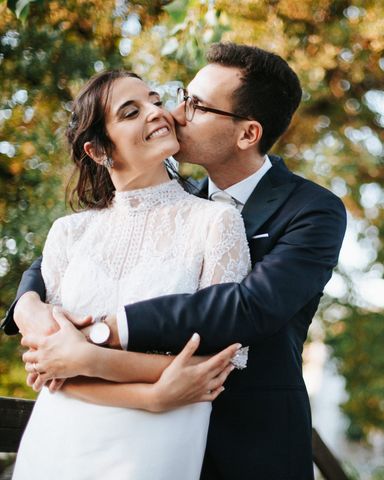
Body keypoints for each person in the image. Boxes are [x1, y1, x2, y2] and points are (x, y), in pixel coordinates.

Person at [4, 43, 347, 480]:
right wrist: (29, 306)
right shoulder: (170, 199)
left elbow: (249, 306)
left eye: (197, 106)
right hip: (104, 433)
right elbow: (70, 256)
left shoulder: (312, 210)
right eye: (182, 97)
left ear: (248, 134)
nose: (175, 114)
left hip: (248, 443)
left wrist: (98, 336)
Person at [10, 70, 251, 480]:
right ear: (98, 150)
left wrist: (90, 360)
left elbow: (219, 363)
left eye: (156, 101)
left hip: (154, 447)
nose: (157, 113)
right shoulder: (69, 233)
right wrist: (150, 394)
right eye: (130, 112)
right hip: (58, 440)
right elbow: (48, 370)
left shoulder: (216, 222)